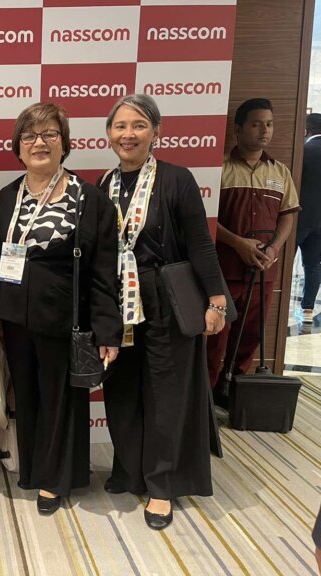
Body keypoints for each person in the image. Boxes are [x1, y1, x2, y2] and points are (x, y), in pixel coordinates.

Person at [98, 94, 228, 530]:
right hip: (119, 300)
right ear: (109, 134)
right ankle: (128, 470)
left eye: (138, 125)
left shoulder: (177, 180)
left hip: (166, 298)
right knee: (121, 390)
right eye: (120, 126)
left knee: (165, 394)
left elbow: (200, 243)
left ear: (156, 131)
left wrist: (216, 300)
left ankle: (162, 485)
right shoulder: (104, 184)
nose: (128, 134)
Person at [0, 102, 122, 515]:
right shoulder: (7, 196)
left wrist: (107, 329)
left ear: (65, 144)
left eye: (50, 134)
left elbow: (104, 271)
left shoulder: (90, 198)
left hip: (65, 318)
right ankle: (32, 467)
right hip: (15, 317)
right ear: (18, 147)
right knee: (26, 397)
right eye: (29, 136)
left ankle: (56, 479)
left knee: (60, 400)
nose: (39, 143)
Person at [207, 98, 300, 398]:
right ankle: (206, 395)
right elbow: (205, 219)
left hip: (262, 272)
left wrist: (273, 250)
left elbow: (288, 215)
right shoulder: (219, 168)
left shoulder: (280, 172)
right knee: (216, 339)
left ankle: (232, 392)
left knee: (249, 337)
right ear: (238, 129)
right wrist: (238, 243)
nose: (264, 131)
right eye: (257, 124)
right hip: (225, 271)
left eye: (269, 124)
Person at [297, 113, 321, 324]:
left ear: (308, 129)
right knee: (313, 265)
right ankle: (307, 308)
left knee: (282, 261)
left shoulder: (303, 151)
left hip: (299, 217)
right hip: (320, 223)